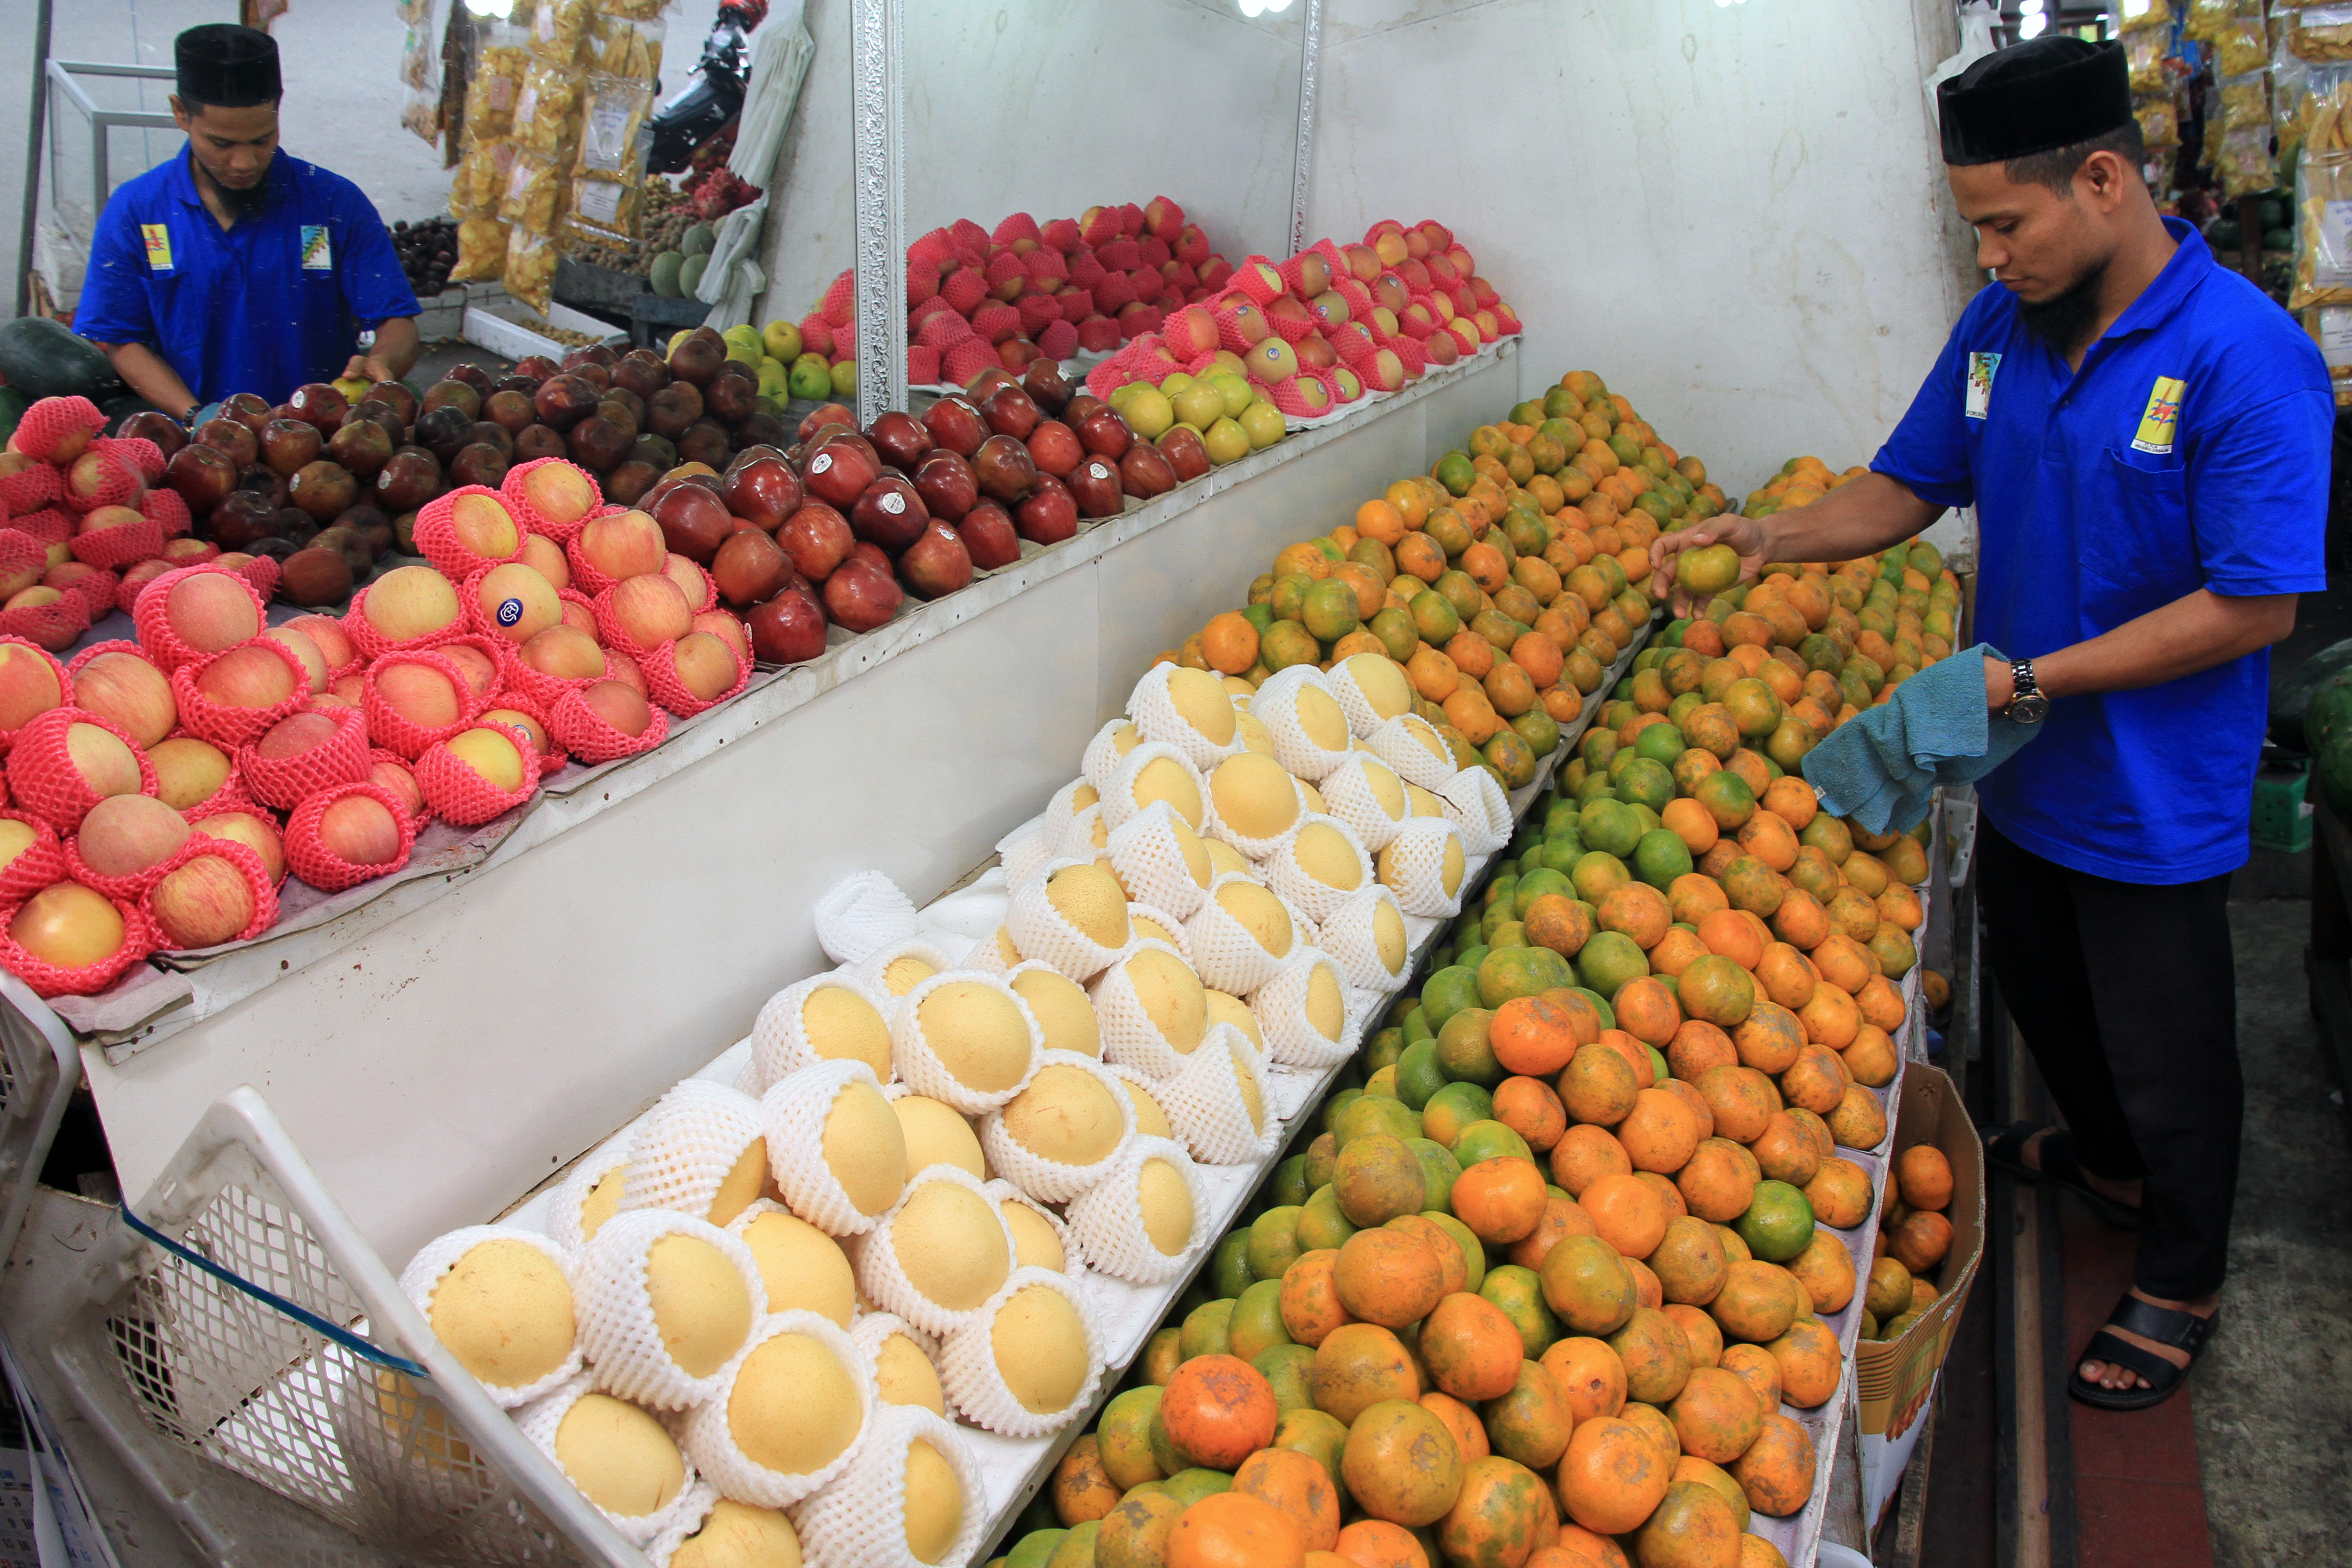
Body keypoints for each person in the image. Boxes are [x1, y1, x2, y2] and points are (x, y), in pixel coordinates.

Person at [1653, 36, 2330, 1410]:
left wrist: (2030, 680)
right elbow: (1909, 484)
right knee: (2047, 996)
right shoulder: (1996, 333)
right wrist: (1766, 536)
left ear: (2101, 182)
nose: (1988, 255)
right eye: (1974, 229)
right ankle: (2106, 1163)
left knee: (2165, 1042)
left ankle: (2181, 1270)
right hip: (2021, 762)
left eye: (2005, 224)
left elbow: (2251, 606)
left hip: (2145, 785)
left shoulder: (2244, 357)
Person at [74, 23, 422, 423]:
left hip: (319, 443)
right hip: (191, 444)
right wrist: (196, 416)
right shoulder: (137, 211)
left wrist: (383, 362)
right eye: (221, 144)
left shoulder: (333, 203)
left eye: (262, 140)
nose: (244, 163)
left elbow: (396, 320)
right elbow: (121, 340)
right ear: (181, 113)